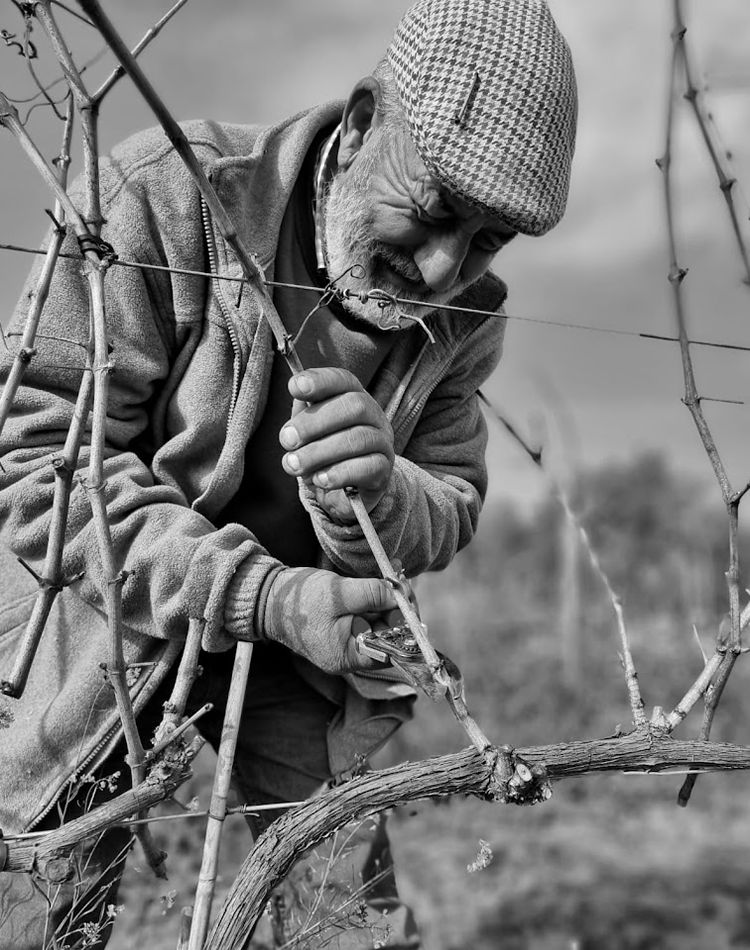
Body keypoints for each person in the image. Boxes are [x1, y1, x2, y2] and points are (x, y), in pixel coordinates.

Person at [0, 0, 577, 946]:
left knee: (347, 929)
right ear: (359, 125)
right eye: (432, 213)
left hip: (305, 671)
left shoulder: (470, 315)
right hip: (93, 645)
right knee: (42, 922)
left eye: (486, 242)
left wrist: (383, 493)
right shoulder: (159, 199)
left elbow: (451, 501)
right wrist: (266, 596)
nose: (442, 270)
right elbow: (37, 467)